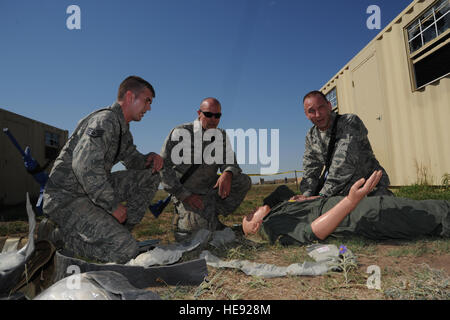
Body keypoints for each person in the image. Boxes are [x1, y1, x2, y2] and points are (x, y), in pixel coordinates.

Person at [42, 76, 163, 264]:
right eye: (147, 101)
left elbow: (133, 160)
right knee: (127, 252)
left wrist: (150, 158)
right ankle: (60, 237)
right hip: (66, 197)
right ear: (130, 96)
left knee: (151, 177)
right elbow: (84, 166)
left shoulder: (122, 129)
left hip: (90, 191)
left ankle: (119, 233)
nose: (149, 108)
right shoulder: (105, 120)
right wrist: (113, 205)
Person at [242, 171, 449, 245]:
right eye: (250, 216)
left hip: (358, 208)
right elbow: (313, 232)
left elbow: (284, 194)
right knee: (435, 216)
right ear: (256, 226)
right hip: (359, 216)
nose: (254, 209)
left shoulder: (276, 212)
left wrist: (304, 200)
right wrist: (351, 201)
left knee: (429, 209)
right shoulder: (270, 227)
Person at [159, 97, 252, 240]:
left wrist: (227, 173)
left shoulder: (220, 136)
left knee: (243, 181)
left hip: (209, 190)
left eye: (217, 115)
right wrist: (185, 195)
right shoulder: (180, 133)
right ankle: (185, 218)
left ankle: (211, 214)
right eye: (208, 114)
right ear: (199, 113)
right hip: (187, 193)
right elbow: (163, 168)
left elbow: (231, 163)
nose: (213, 119)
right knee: (198, 236)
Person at [300, 90, 393, 197]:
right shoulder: (311, 136)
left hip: (369, 189)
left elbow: (343, 163)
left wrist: (322, 196)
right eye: (311, 111)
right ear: (306, 115)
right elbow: (311, 169)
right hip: (338, 194)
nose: (318, 114)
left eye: (321, 107)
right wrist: (306, 195)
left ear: (329, 106)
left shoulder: (350, 122)